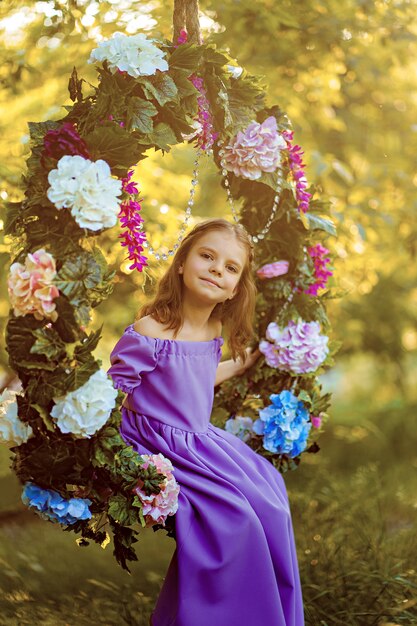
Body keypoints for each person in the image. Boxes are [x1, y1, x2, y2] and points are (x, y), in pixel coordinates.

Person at [107, 218, 304, 626]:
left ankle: (270, 616)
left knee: (272, 500)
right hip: (157, 441)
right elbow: (112, 395)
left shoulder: (214, 327)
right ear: (182, 263)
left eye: (231, 267)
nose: (217, 269)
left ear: (236, 287)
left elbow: (194, 377)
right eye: (208, 256)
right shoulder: (149, 331)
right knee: (237, 519)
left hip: (198, 437)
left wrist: (241, 363)